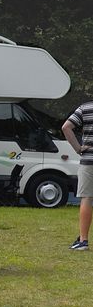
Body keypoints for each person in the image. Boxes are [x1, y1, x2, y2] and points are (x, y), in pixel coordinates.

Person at [62, 101, 93, 250]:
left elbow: (66, 127)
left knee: (87, 198)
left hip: (89, 161)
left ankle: (83, 241)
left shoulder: (85, 108)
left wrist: (78, 148)